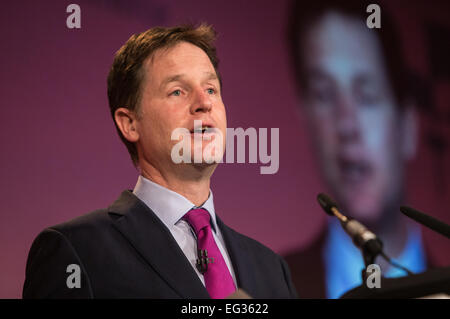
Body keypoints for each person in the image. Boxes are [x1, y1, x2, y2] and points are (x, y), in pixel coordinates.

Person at [23, 24, 298, 299]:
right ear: (130, 123)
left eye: (211, 89)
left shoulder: (272, 269)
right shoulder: (78, 251)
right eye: (177, 91)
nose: (204, 103)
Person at [284, 0, 431, 298]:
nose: (346, 124)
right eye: (325, 95)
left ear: (408, 125)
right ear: (306, 117)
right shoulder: (266, 290)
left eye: (367, 95)